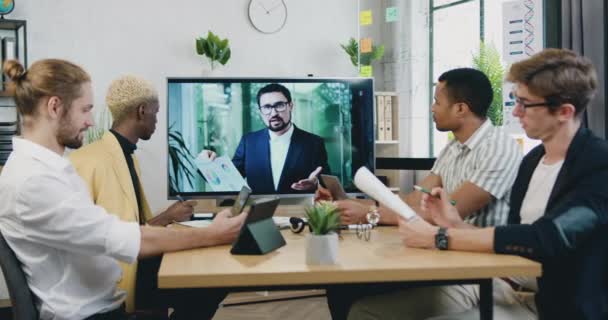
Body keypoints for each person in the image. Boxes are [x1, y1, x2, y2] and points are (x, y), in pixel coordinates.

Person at [349, 49, 608, 320]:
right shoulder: (533, 161)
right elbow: (512, 232)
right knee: (363, 312)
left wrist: (439, 236)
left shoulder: (598, 165)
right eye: (515, 100)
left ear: (564, 112)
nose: (516, 112)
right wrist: (454, 223)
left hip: (557, 307)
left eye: (526, 104)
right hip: (503, 283)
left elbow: (547, 237)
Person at [0, 59, 246, 320]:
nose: (91, 122)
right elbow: (122, 237)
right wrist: (213, 234)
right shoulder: (35, 181)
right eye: (85, 110)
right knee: (205, 284)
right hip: (93, 316)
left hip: (101, 306)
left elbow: (114, 231)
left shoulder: (46, 170)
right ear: (54, 107)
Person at [324, 68, 522, 319]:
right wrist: (356, 204)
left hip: (480, 269)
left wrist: (369, 214)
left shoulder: (498, 148)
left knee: (356, 294)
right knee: (342, 285)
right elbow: (414, 201)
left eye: (437, 102)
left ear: (461, 108)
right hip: (445, 256)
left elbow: (443, 215)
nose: (431, 108)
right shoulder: (453, 148)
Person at [69, 75, 202, 314]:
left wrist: (166, 217)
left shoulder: (125, 157)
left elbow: (132, 229)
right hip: (117, 279)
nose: (157, 121)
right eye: (156, 112)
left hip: (135, 264)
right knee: (205, 286)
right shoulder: (89, 161)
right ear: (142, 111)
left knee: (203, 276)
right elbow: (107, 242)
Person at [201, 83, 330, 194]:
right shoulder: (249, 142)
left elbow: (327, 184)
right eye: (267, 107)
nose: (273, 113)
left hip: (298, 213)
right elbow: (229, 180)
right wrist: (206, 164)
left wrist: (316, 184)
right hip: (259, 215)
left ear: (290, 106)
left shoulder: (313, 143)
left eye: (279, 105)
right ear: (260, 111)